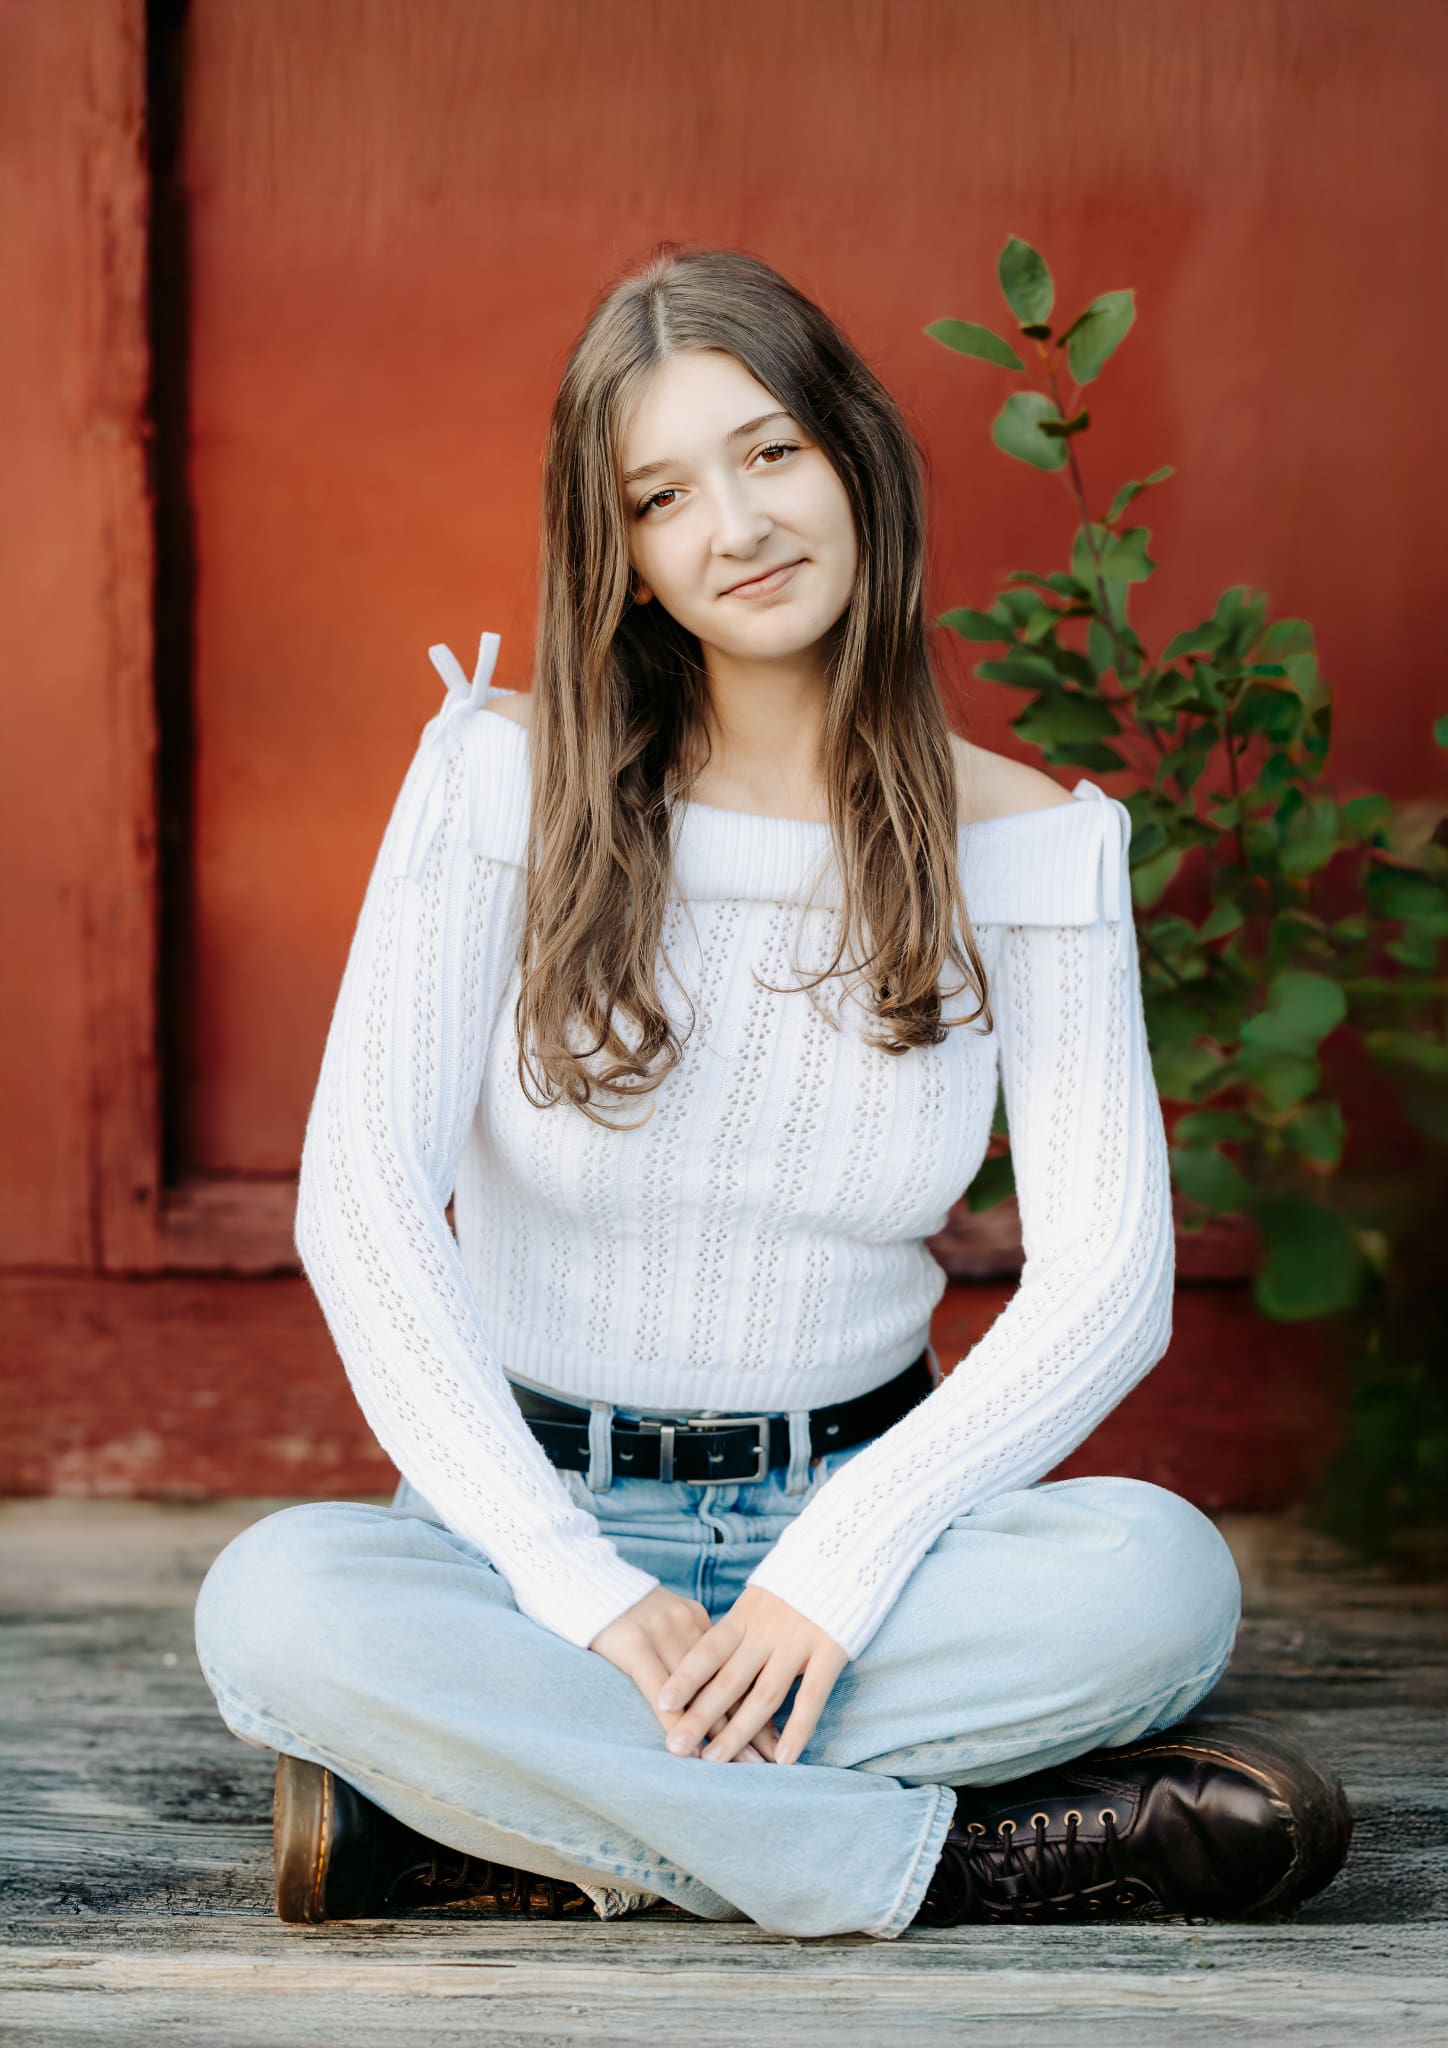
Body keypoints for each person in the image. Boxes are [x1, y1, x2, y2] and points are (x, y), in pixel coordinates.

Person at [193, 243, 1352, 1938]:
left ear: (856, 456)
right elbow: (359, 1199)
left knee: (1161, 1582)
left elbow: (1110, 1288)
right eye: (663, 496)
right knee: (275, 1607)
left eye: (770, 454)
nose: (735, 528)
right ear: (630, 560)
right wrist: (578, 1585)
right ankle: (944, 1861)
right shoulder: (498, 786)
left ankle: (488, 1825)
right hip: (526, 1520)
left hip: (863, 1520)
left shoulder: (1031, 844)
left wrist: (838, 1558)